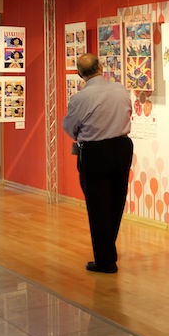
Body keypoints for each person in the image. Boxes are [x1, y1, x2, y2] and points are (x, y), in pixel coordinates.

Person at [62, 53, 134, 274]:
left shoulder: (80, 98)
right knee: (116, 203)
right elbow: (128, 113)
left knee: (98, 207)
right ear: (101, 67)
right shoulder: (120, 90)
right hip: (122, 148)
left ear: (80, 74)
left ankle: (105, 260)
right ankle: (107, 253)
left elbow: (70, 127)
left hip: (95, 152)